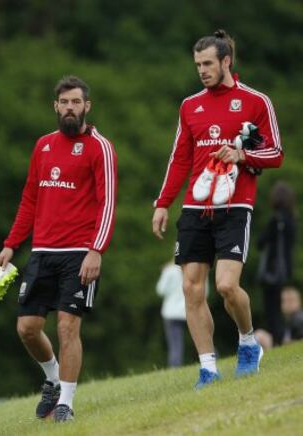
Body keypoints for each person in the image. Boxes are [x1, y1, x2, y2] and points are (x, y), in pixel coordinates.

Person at [152, 29, 283, 389]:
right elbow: (179, 159)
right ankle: (208, 368)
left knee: (226, 286)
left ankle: (247, 342)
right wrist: (163, 203)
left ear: (226, 61)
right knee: (192, 290)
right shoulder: (189, 105)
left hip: (235, 205)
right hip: (195, 208)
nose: (202, 70)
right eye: (198, 65)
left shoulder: (255, 101)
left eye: (208, 63)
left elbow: (276, 153)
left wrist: (241, 154)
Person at [0, 76, 117, 422]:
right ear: (55, 107)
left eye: (76, 102)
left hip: (79, 252)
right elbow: (30, 199)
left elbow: (107, 203)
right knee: (27, 328)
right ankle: (51, 378)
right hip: (42, 252)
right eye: (64, 103)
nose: (69, 109)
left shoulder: (99, 147)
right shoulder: (43, 146)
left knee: (67, 327)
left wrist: (96, 250)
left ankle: (66, 402)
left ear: (86, 107)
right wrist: (10, 244)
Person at [257, 181, 296, 345]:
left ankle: (278, 339)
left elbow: (261, 243)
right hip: (285, 268)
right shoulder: (292, 220)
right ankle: (282, 337)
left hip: (272, 270)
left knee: (272, 308)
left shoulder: (275, 220)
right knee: (280, 307)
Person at [156, 261, 186, 367]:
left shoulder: (169, 270)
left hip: (171, 312)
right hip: (190, 310)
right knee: (203, 339)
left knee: (175, 345)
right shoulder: (199, 267)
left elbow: (160, 290)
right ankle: (212, 361)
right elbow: (205, 292)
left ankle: (175, 368)